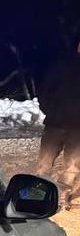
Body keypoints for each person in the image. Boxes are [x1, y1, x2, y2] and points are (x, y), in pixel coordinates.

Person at [36, 34, 80, 201]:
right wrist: (49, 109)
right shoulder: (61, 66)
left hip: (78, 129)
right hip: (55, 123)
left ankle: (62, 197)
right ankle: (37, 195)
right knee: (44, 164)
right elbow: (45, 89)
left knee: (73, 167)